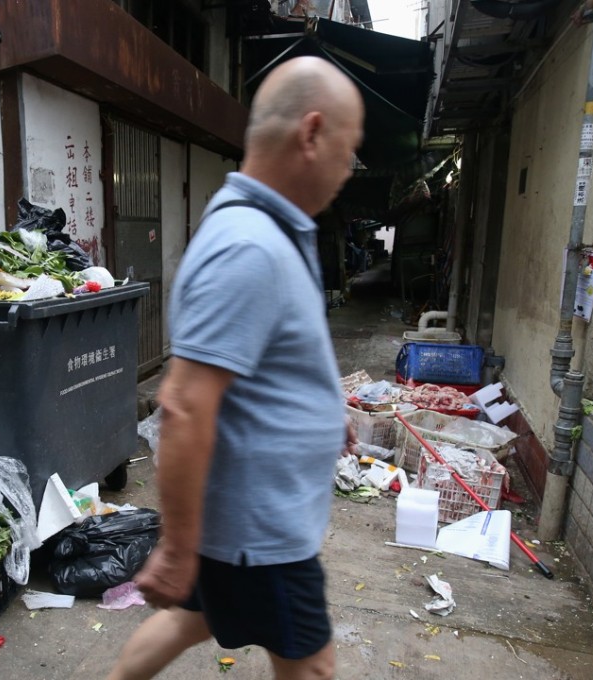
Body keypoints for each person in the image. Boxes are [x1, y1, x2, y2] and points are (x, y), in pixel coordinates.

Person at [107, 55, 364, 680]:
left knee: (186, 622)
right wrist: (175, 545)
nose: (349, 169)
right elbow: (187, 404)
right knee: (313, 666)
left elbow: (265, 369)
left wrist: (328, 416)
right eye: (348, 148)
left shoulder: (269, 234)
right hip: (261, 533)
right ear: (310, 133)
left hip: (247, 525)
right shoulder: (248, 246)